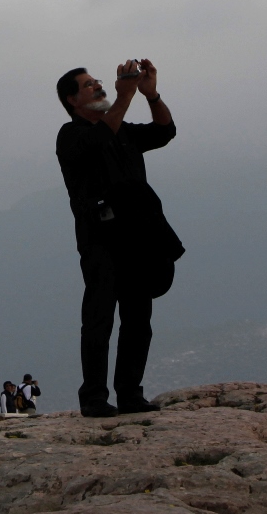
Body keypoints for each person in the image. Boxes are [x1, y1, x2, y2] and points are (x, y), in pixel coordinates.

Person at [56, 58, 181, 417]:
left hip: (137, 236)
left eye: (98, 81)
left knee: (138, 319)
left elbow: (164, 131)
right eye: (88, 85)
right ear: (71, 101)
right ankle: (94, 397)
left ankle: (130, 393)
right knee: (99, 317)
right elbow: (98, 140)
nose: (97, 86)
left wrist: (151, 94)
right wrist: (125, 95)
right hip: (100, 238)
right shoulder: (72, 135)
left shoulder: (122, 131)